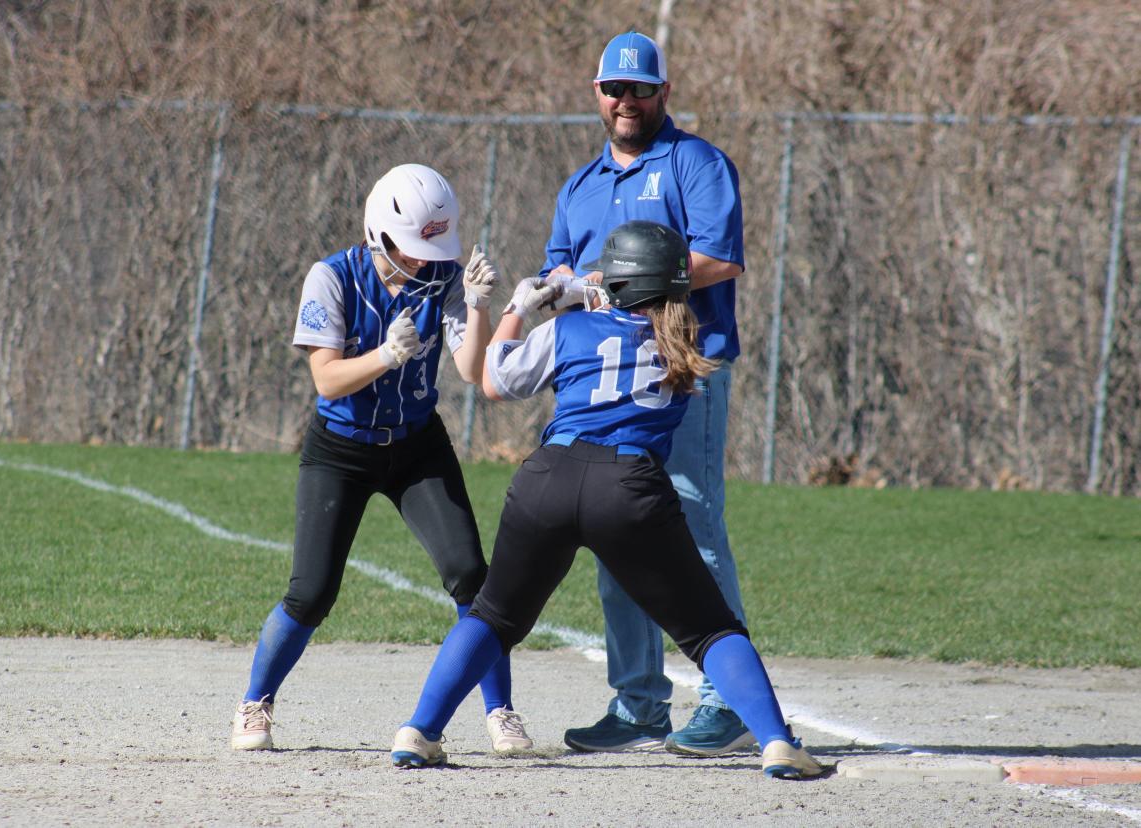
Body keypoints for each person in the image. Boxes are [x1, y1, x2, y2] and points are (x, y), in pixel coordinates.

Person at [388, 220, 826, 780]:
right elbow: (635, 315)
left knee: (493, 616)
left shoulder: (570, 333)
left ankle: (420, 732)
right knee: (711, 630)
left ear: (615, 284)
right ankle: (776, 742)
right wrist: (591, 293)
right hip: (629, 488)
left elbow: (494, 381)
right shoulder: (685, 345)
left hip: (549, 477)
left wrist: (520, 309)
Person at [230, 163, 531, 755]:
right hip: (341, 449)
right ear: (378, 234)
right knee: (312, 592)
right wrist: (385, 357)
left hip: (416, 445)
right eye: (412, 247)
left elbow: (472, 371)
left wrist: (475, 307)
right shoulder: (332, 277)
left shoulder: (441, 274)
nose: (423, 260)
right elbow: (326, 380)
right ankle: (255, 701)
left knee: (473, 576)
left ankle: (501, 709)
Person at [543, 31, 752, 757]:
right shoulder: (580, 186)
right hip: (605, 388)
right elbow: (562, 278)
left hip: (680, 371)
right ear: (596, 94)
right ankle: (638, 704)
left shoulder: (693, 162)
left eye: (640, 88)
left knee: (694, 530)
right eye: (614, 89)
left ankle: (726, 700)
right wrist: (553, 293)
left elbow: (721, 258)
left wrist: (626, 284)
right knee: (615, 536)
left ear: (664, 91)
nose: (626, 100)